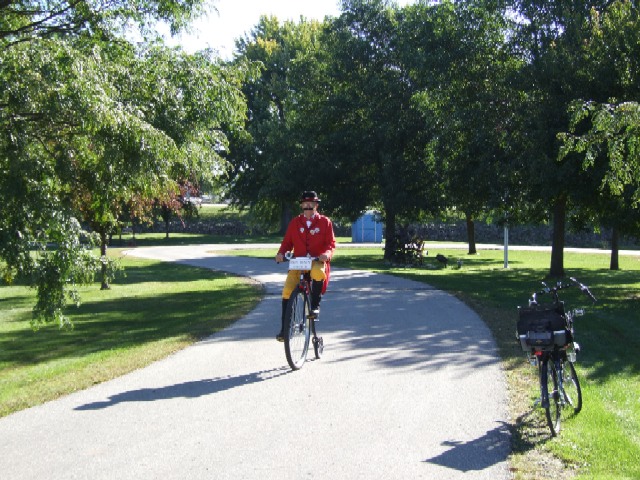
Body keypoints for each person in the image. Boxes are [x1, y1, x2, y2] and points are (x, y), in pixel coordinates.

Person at [275, 191, 336, 342]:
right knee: (287, 289)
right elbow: (287, 243)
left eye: (311, 205)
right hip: (299, 262)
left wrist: (326, 254)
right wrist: (281, 253)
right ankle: (284, 329)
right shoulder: (295, 223)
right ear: (301, 205)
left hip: (316, 260)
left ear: (316, 205)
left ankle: (315, 306)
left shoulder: (325, 222)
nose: (308, 207)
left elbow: (330, 244)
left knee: (317, 272)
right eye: (305, 205)